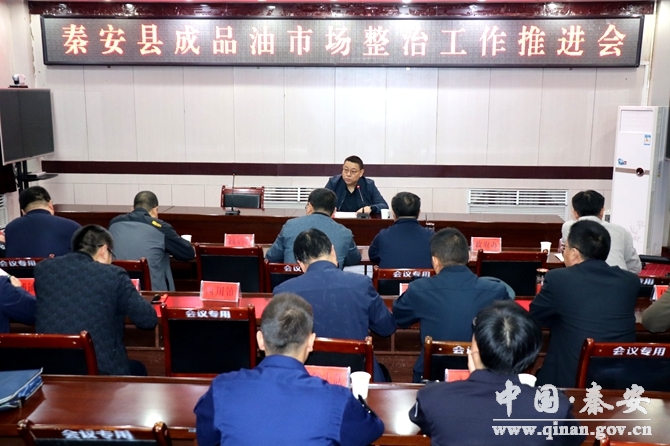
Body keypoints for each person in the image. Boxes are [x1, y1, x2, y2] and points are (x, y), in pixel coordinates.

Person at [194, 293, 384, 446]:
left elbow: (205, 439)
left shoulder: (222, 388)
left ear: (260, 340)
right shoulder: (336, 399)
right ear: (311, 342)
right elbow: (371, 430)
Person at [409, 301, 583, 446]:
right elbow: (574, 439)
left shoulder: (433, 397)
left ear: (475, 350)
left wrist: (477, 373)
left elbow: (425, 423)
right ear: (531, 355)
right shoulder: (555, 407)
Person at [273, 229, 396, 381]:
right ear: (333, 251)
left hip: (305, 380)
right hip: (358, 380)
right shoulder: (361, 284)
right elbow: (386, 328)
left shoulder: (283, 292)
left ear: (300, 264)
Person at [34, 224, 158, 375]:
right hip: (101, 370)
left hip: (50, 368)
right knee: (139, 369)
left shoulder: (43, 269)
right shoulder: (113, 274)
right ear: (104, 250)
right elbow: (148, 320)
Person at [531, 220, 640, 388]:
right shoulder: (629, 282)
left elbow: (535, 316)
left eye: (565, 248)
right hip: (619, 383)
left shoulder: (558, 279)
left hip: (569, 384)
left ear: (574, 253)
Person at [393, 228, 508, 382]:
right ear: (468, 257)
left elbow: (399, 316)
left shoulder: (419, 289)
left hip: (431, 380)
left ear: (435, 261)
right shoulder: (496, 291)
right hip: (482, 379)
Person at [108, 191, 195, 291]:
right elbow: (188, 253)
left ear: (132, 209)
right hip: (153, 295)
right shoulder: (160, 227)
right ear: (155, 210)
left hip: (117, 290)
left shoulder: (114, 224)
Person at [266, 188, 361, 268]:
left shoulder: (290, 225)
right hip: (331, 283)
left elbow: (271, 257)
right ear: (334, 211)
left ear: (310, 207)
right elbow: (354, 259)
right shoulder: (345, 233)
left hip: (292, 282)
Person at [561, 190, 641, 273]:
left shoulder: (569, 227)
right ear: (602, 211)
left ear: (575, 213)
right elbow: (635, 267)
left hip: (582, 277)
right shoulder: (621, 231)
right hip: (618, 278)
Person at [5, 186, 81, 258]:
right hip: (58, 267)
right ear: (50, 205)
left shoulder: (10, 228)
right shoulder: (72, 227)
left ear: (23, 212)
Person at [368, 191, 433, 268]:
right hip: (423, 276)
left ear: (393, 214)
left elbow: (373, 257)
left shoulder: (383, 236)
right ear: (419, 213)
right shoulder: (431, 236)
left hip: (390, 276)